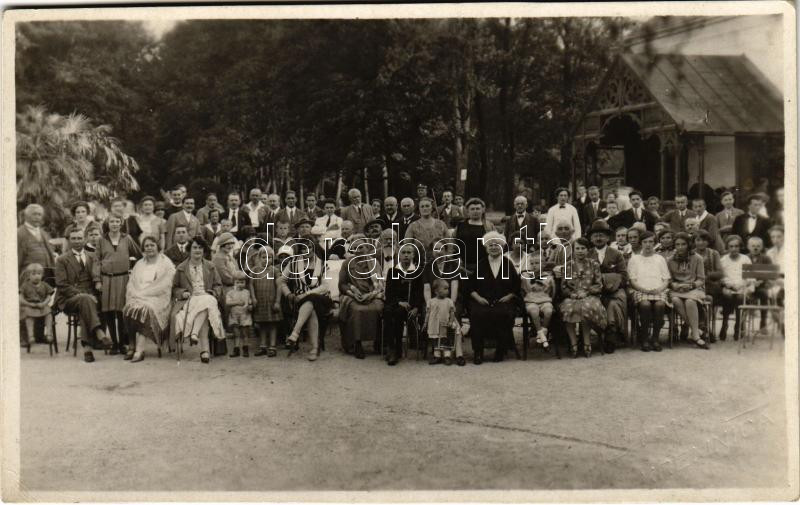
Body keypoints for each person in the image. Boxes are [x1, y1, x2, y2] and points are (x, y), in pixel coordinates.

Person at [55, 228, 111, 362]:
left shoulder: (93, 256)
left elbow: (98, 276)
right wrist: (81, 294)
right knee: (85, 300)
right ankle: (98, 331)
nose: (77, 241)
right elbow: (61, 285)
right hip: (69, 298)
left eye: (79, 238)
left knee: (85, 306)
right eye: (73, 238)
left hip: (90, 298)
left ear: (84, 239)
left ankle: (87, 349)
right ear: (69, 241)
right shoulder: (62, 260)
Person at [467, 231, 520, 364]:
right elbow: (470, 287)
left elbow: (516, 285)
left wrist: (509, 296)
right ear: (486, 248)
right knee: (476, 314)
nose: (494, 247)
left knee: (503, 314)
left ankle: (500, 350)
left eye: (496, 245)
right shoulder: (481, 264)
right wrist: (478, 298)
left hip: (503, 300)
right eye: (490, 245)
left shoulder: (508, 264)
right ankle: (478, 352)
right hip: (482, 300)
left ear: (501, 247)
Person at [172, 237, 225, 363]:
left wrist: (213, 292)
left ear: (204, 250)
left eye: (200, 248)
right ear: (189, 250)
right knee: (207, 305)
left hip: (206, 296)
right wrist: (182, 293)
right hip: (189, 300)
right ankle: (204, 350)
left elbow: (218, 285)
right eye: (195, 247)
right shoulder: (181, 268)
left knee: (207, 302)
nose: (197, 250)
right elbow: (174, 288)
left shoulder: (210, 266)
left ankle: (195, 335)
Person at [122, 235, 176, 362]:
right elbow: (131, 283)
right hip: (138, 295)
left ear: (158, 246)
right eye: (146, 246)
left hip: (157, 298)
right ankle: (132, 346)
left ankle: (139, 350)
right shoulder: (139, 263)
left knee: (144, 311)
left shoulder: (166, 263)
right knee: (128, 309)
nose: (149, 248)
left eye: (152, 245)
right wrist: (136, 293)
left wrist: (144, 294)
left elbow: (164, 285)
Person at [95, 213, 142, 357]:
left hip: (123, 279)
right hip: (107, 279)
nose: (114, 224)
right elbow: (97, 261)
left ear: (121, 223)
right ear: (107, 224)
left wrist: (135, 271)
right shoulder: (101, 240)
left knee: (121, 312)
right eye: (112, 222)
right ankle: (114, 344)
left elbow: (138, 254)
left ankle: (122, 344)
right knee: (109, 312)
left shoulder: (127, 238)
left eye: (117, 221)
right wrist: (97, 280)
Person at [279, 239, 331, 361]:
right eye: (303, 248)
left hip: (321, 299)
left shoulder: (323, 264)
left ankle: (295, 332)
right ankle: (314, 348)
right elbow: (282, 281)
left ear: (314, 248)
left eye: (309, 247)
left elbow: (325, 286)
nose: (306, 251)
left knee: (311, 299)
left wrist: (306, 294)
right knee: (311, 308)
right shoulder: (293, 263)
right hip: (299, 301)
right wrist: (288, 294)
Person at [338, 236, 385, 359]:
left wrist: (372, 294)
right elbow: (342, 284)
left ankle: (378, 340)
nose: (358, 250)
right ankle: (356, 343)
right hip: (354, 294)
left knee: (379, 308)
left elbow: (380, 282)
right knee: (357, 310)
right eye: (355, 248)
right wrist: (353, 292)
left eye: (361, 247)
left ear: (367, 248)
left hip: (372, 293)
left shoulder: (374, 263)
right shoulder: (347, 264)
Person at [423, 238, 467, 365]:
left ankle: (458, 353)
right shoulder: (428, 267)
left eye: (441, 249)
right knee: (433, 316)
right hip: (434, 301)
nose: (438, 252)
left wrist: (450, 305)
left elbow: (454, 286)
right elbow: (427, 288)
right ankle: (437, 352)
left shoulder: (453, 265)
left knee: (453, 319)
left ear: (446, 251)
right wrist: (429, 304)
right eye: (435, 249)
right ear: (432, 251)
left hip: (451, 300)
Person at [587, 220, 628, 352]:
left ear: (608, 238)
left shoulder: (616, 254)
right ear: (591, 238)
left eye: (602, 235)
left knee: (615, 302)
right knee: (588, 303)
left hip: (614, 289)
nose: (598, 238)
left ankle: (611, 334)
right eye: (595, 236)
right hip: (592, 289)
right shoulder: (587, 254)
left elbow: (623, 276)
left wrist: (610, 282)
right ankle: (588, 336)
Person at [383, 243, 425, 366]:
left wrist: (416, 307)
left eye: (409, 252)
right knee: (387, 311)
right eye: (403, 252)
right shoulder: (393, 271)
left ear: (413, 255)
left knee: (399, 313)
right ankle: (391, 347)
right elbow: (389, 292)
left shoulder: (417, 272)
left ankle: (397, 348)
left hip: (409, 306)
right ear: (399, 255)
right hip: (395, 303)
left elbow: (419, 293)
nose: (406, 255)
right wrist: (398, 302)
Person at [627, 231, 670, 352]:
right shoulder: (635, 259)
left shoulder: (660, 259)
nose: (648, 244)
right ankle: (645, 338)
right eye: (645, 242)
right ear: (641, 243)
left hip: (658, 290)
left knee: (659, 305)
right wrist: (643, 289)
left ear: (654, 243)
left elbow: (666, 279)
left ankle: (655, 338)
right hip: (640, 290)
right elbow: (632, 280)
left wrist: (660, 289)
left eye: (651, 242)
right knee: (645, 305)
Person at [668, 232, 709, 349]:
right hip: (677, 289)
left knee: (690, 301)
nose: (680, 247)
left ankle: (695, 335)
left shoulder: (697, 258)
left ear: (689, 245)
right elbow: (669, 279)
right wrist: (674, 285)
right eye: (677, 244)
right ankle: (697, 332)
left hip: (694, 288)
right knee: (675, 300)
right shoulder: (670, 260)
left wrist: (691, 285)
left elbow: (701, 279)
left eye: (683, 244)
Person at [718, 235, 754, 341]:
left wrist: (740, 285)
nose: (734, 249)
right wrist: (730, 285)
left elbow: (750, 276)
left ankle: (739, 325)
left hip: (743, 287)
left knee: (740, 297)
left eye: (736, 246)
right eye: (731, 246)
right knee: (727, 295)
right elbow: (722, 276)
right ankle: (725, 323)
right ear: (727, 247)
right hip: (729, 287)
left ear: (740, 247)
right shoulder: (723, 260)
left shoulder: (745, 259)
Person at [250, 246, 283, 357]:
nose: (266, 260)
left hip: (271, 301)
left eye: (269, 258)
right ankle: (263, 346)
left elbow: (279, 286)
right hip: (260, 301)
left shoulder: (275, 271)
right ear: (259, 258)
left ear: (273, 259)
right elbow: (251, 284)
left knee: (272, 324)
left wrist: (277, 301)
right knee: (262, 324)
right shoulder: (255, 270)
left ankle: (272, 346)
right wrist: (253, 298)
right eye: (264, 257)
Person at [424, 279, 462, 366]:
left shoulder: (449, 301)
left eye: (448, 288)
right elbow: (428, 313)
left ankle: (447, 356)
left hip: (445, 324)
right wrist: (425, 323)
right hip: (434, 325)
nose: (448, 291)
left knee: (445, 340)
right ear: (436, 291)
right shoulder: (431, 301)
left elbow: (452, 313)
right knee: (435, 340)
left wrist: (451, 321)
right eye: (445, 288)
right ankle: (437, 356)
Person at [520, 253, 554, 349]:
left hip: (545, 300)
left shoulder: (548, 277)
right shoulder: (525, 277)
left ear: (543, 265)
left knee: (549, 311)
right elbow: (522, 291)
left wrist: (549, 299)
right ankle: (542, 335)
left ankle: (543, 332)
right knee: (534, 311)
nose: (534, 265)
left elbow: (553, 292)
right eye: (532, 263)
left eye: (537, 263)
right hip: (531, 301)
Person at [454, 197, 495, 275]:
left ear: (483, 210)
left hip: (484, 266)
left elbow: (496, 244)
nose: (475, 211)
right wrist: (457, 259)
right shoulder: (460, 226)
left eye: (478, 209)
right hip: (463, 266)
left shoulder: (489, 226)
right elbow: (453, 243)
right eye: (472, 209)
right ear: (467, 211)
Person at [19, 263, 55, 348]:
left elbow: (49, 296)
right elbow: (20, 298)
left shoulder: (44, 285)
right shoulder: (25, 285)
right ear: (28, 275)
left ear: (42, 275)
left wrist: (44, 303)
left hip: (42, 306)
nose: (36, 276)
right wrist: (29, 304)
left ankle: (49, 333)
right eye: (33, 274)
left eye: (39, 274)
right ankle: (31, 336)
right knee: (28, 316)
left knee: (48, 313)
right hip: (30, 306)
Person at [18, 204, 56, 283]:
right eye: (34, 214)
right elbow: (16, 260)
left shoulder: (44, 233)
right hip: (27, 278)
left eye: (39, 214)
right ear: (26, 216)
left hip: (46, 277)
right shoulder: (19, 234)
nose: (37, 217)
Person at [404, 197, 447, 267]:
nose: (425, 208)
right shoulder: (413, 226)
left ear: (432, 208)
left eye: (427, 206)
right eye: (422, 206)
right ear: (419, 209)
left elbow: (449, 244)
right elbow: (406, 245)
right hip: (420, 264)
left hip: (440, 263)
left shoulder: (441, 224)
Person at [225, 270, 254, 357]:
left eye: (242, 282)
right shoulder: (231, 293)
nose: (240, 284)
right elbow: (228, 303)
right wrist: (237, 302)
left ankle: (245, 349)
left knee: (245, 333)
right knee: (236, 334)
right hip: (234, 315)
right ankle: (236, 349)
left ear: (245, 282)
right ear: (234, 282)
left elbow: (249, 302)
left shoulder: (247, 292)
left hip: (244, 315)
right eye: (237, 282)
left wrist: (250, 306)